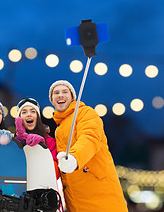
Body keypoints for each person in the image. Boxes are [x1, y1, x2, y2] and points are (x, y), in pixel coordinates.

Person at [49, 80, 128, 212]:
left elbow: (90, 138)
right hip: (77, 200)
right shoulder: (59, 127)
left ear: (73, 97)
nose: (60, 95)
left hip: (98, 193)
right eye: (56, 93)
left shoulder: (85, 113)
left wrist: (74, 157)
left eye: (64, 92)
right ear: (52, 100)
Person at [15, 97, 60, 179]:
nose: (29, 114)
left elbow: (55, 173)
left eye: (33, 111)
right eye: (24, 112)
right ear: (19, 118)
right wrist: (21, 138)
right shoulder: (14, 142)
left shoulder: (49, 141)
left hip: (43, 188)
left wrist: (42, 148)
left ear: (37, 117)